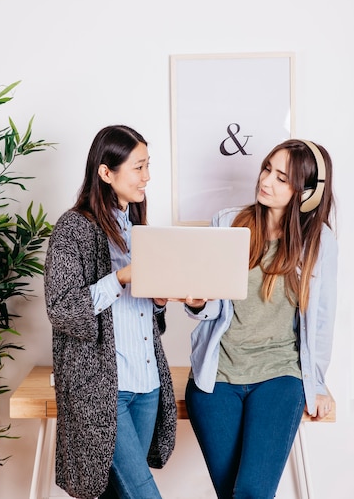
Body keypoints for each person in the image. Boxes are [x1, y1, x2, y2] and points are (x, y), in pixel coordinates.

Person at [184, 139, 338, 499]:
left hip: (280, 375)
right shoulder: (227, 223)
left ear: (308, 193)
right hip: (217, 376)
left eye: (282, 178)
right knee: (233, 493)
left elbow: (321, 320)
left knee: (251, 491)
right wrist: (196, 303)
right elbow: (209, 308)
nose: (266, 181)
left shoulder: (320, 241)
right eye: (267, 168)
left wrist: (316, 383)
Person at [44, 125, 177, 499]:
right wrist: (120, 277)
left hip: (148, 384)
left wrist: (159, 301)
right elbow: (62, 307)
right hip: (103, 389)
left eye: (148, 166)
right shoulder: (73, 229)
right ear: (106, 172)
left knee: (117, 495)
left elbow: (143, 318)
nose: (147, 177)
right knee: (143, 494)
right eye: (138, 167)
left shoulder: (139, 229)